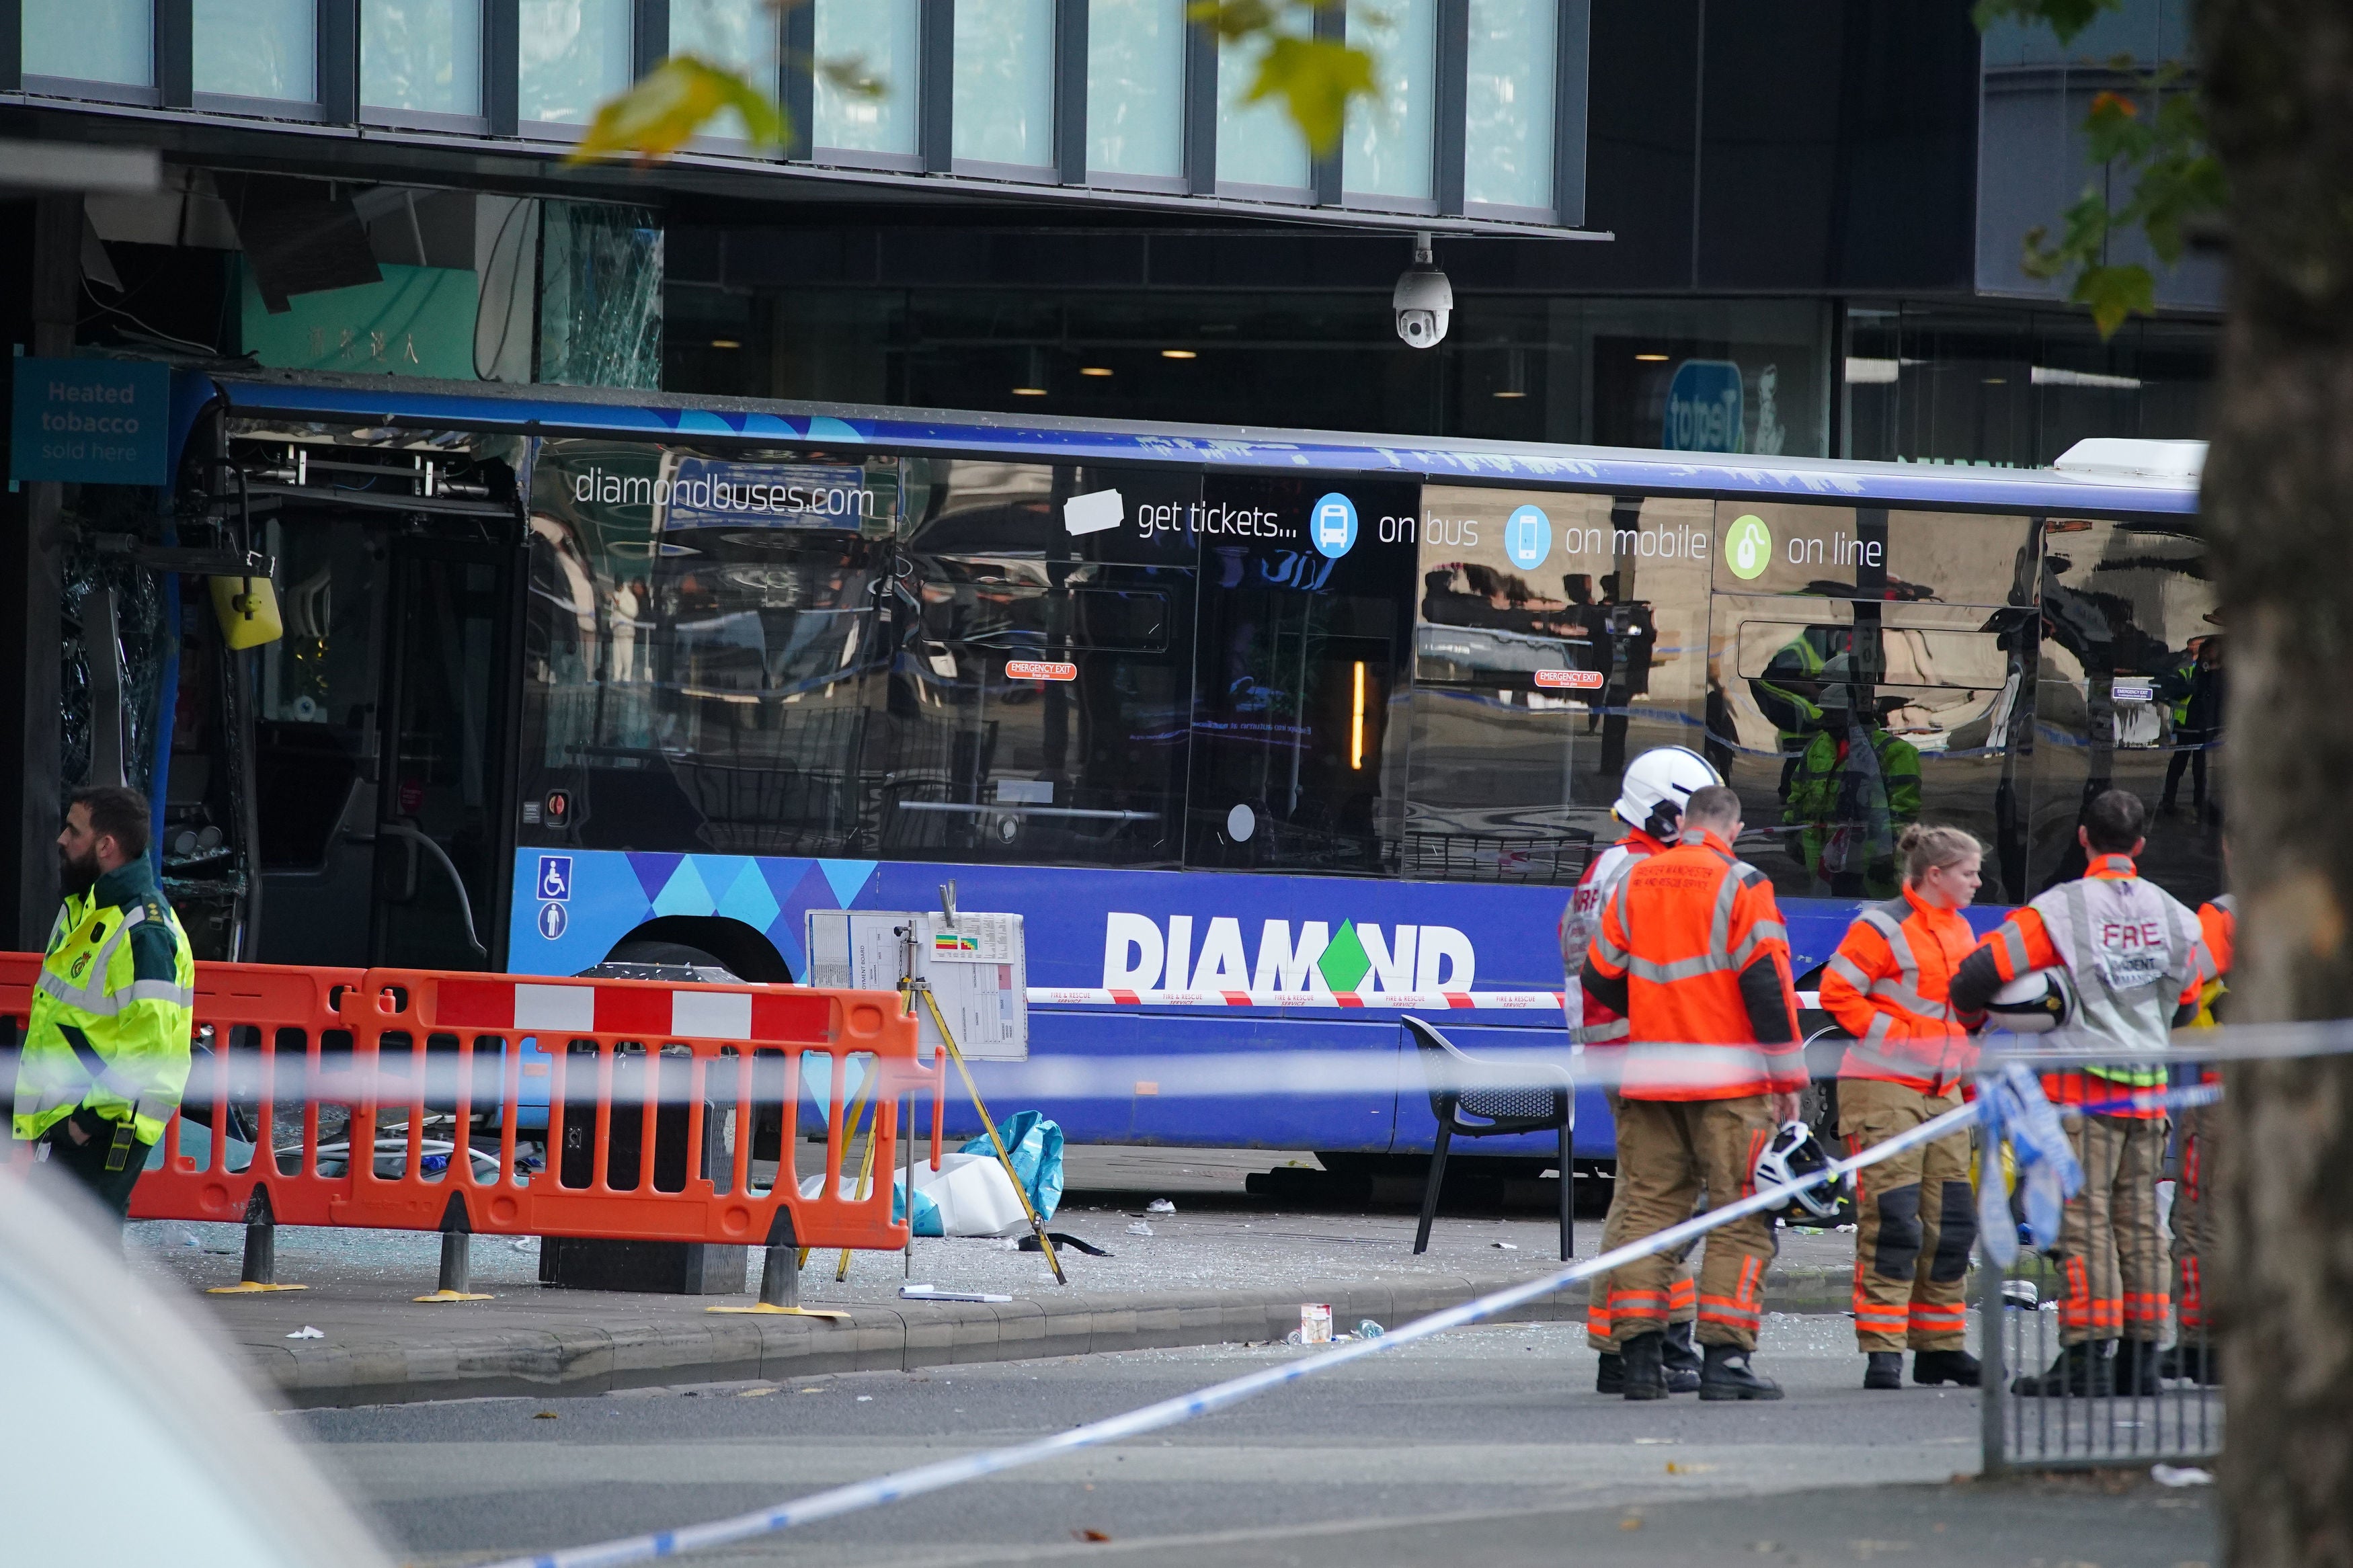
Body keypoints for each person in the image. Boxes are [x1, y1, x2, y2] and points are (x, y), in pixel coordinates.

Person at [1949, 789, 2212, 1397]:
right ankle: (2142, 1356)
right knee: (2141, 1223)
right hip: (2149, 1097)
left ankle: (2088, 1354)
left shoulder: (2059, 911)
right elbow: (2191, 1003)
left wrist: (1969, 1026)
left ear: (2084, 839)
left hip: (2080, 1098)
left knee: (2084, 1223)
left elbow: (1977, 977)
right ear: (2140, 845)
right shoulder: (2176, 915)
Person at [1581, 784, 1806, 1401]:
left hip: (1652, 1073)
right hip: (1729, 1080)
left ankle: (1643, 1362)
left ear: (1685, 822)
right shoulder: (1742, 882)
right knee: (1740, 1215)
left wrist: (1658, 1014)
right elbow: (1766, 981)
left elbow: (1600, 974)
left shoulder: (1636, 878)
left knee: (1648, 1216)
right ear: (1731, 828)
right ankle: (1725, 1364)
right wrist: (1787, 1075)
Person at [1560, 746, 1723, 1395]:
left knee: (1654, 1198)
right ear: (1663, 814)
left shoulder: (1614, 866)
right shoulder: (1644, 873)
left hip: (1622, 1051)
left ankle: (1650, 1341)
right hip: (1642, 1053)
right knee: (1651, 1203)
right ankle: (1632, 1345)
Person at [1818, 824, 1987, 1391]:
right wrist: (1909, 1038)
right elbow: (1838, 993)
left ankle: (1941, 1346)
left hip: (1943, 1091)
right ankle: (1883, 1350)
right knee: (1894, 1222)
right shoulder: (1882, 926)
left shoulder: (1960, 929)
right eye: (1969, 873)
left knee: (1952, 1225)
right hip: (1883, 1087)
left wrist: (1967, 1076)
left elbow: (1960, 1018)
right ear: (1935, 874)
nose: (1978, 882)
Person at [9, 786, 197, 1221]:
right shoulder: (88, 908)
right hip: (76, 1119)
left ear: (106, 845)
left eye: (74, 830)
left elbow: (146, 1049)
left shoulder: (142, 930)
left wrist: (84, 1124)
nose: (61, 838)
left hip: (101, 1125)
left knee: (70, 1267)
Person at [2163, 882, 2233, 1384]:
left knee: (2200, 1215)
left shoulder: (2229, 915)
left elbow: (2183, 984)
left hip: (2220, 1092)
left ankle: (2200, 1341)